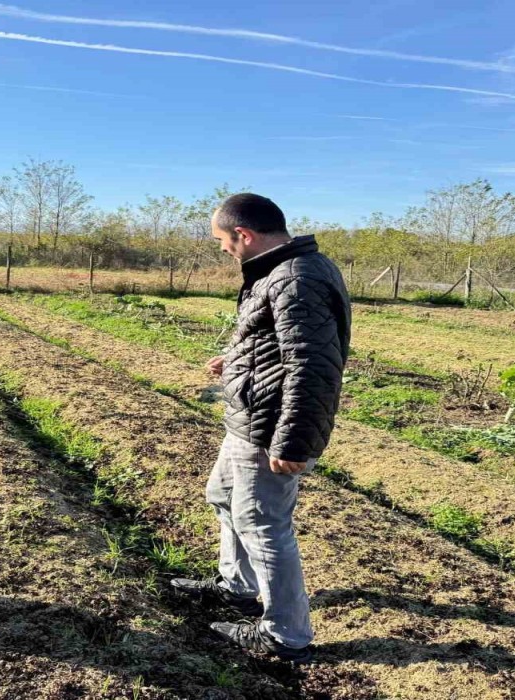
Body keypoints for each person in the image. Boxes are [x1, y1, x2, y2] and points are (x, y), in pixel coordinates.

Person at [171, 194, 351, 663]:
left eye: (222, 241)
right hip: (248, 414)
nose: (223, 249)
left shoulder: (297, 278)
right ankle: (238, 585)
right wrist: (236, 360)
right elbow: (278, 341)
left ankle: (285, 634)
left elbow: (312, 365)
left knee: (264, 524)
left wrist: (293, 441)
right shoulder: (280, 270)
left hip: (270, 426)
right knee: (222, 496)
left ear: (244, 235)